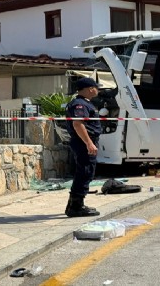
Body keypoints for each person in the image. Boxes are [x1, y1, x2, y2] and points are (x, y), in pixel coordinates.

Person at [64, 77, 102, 217]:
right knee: (85, 172)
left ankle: (75, 204)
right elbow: (78, 124)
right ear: (90, 88)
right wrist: (89, 143)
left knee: (85, 171)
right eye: (96, 87)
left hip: (84, 141)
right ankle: (76, 206)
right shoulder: (80, 104)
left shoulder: (85, 103)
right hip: (83, 142)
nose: (97, 90)